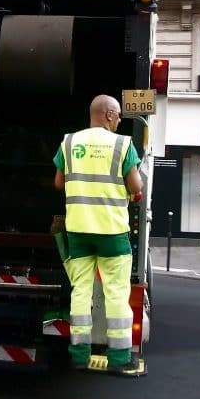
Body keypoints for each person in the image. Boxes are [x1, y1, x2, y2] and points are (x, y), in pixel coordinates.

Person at [53, 94, 143, 376]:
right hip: (112, 232)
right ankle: (119, 359)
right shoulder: (122, 144)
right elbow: (136, 185)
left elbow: (58, 183)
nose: (118, 121)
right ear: (108, 114)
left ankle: (79, 354)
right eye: (117, 116)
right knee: (116, 292)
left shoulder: (69, 142)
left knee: (81, 291)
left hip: (79, 230)